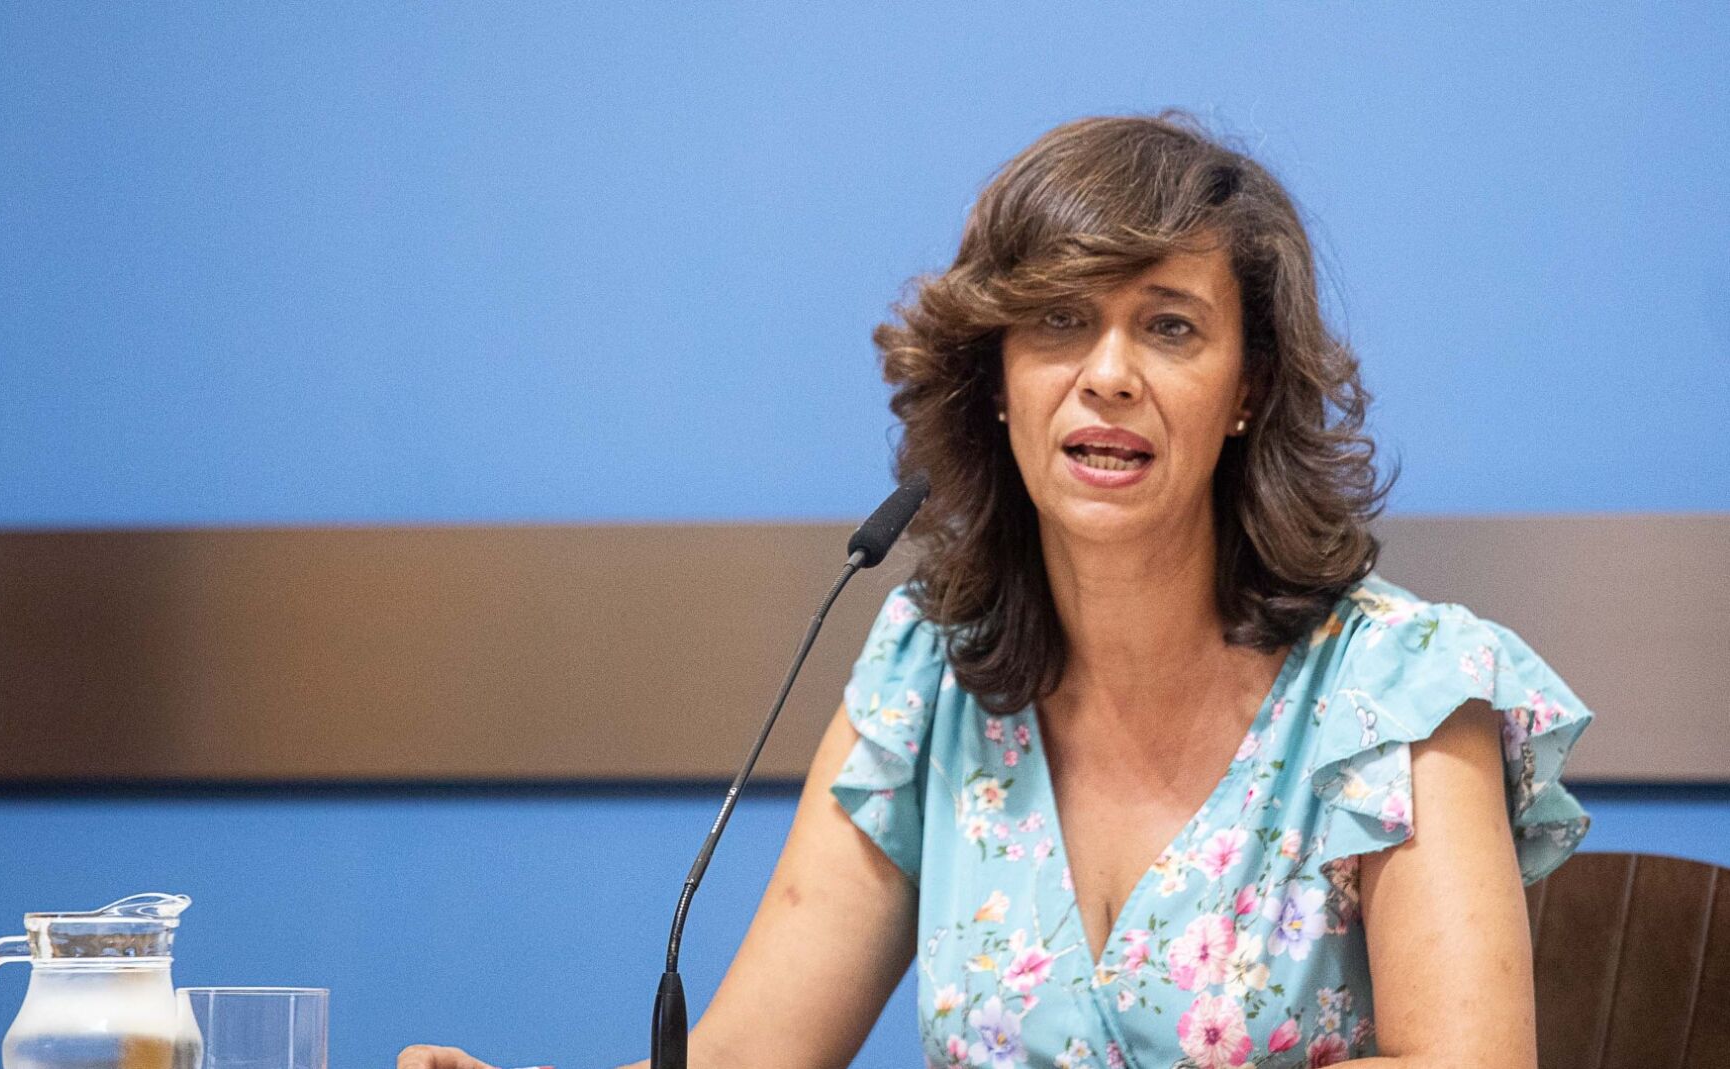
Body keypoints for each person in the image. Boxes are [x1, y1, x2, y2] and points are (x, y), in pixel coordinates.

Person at [399, 111, 1594, 1069]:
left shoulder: (1399, 690)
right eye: (1059, 323)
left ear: (1246, 389)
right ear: (997, 378)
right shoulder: (932, 673)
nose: (1108, 375)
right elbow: (749, 1054)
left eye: (1169, 328)